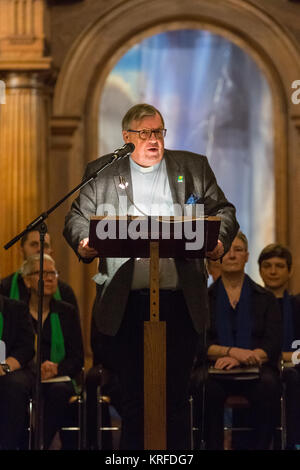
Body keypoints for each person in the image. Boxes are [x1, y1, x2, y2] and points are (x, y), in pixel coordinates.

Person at [63, 102, 239, 450]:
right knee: (133, 399)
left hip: (179, 302)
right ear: (127, 137)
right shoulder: (103, 172)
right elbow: (77, 217)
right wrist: (84, 241)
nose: (153, 139)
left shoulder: (192, 167)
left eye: (158, 131)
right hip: (125, 303)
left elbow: (223, 210)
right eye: (144, 133)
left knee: (174, 398)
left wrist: (218, 241)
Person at [191, 232, 282, 450]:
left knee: (269, 386)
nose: (232, 255)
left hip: (256, 367)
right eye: (227, 250)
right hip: (214, 368)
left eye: (238, 250)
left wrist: (243, 359)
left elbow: (272, 343)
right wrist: (231, 352)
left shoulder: (266, 298)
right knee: (204, 387)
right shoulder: (202, 298)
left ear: (247, 256)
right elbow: (198, 344)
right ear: (218, 257)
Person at [22, 253, 84, 450]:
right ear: (27, 281)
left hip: (60, 377)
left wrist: (56, 368)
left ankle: (37, 445)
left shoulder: (67, 312)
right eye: (42, 273)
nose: (49, 278)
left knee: (59, 393)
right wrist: (35, 369)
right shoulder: (17, 312)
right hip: (27, 376)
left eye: (53, 273)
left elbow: (78, 357)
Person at [258, 243, 300, 449]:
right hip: (261, 368)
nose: (273, 271)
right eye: (267, 265)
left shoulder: (297, 305)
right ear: (259, 270)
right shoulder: (251, 305)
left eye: (279, 266)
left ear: (290, 270)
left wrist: (286, 357)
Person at [0, 229, 78, 311]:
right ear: (22, 251)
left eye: (45, 245)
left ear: (51, 252)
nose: (39, 249)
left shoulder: (64, 292)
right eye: (34, 244)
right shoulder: (5, 288)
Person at [0, 292, 35, 449]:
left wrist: (5, 366)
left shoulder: (16, 308)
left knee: (14, 386)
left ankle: (9, 445)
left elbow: (26, 348)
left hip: (10, 368)